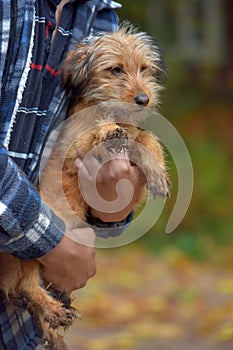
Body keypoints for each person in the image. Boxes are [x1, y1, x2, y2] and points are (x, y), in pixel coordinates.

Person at [0, 0, 141, 348]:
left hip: (17, 329)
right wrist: (50, 243)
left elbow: (84, 156)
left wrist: (114, 204)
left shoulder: (99, 15)